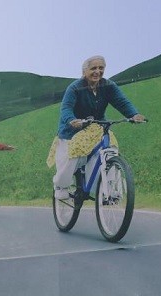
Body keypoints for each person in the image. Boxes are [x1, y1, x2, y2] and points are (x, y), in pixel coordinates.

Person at [52, 55, 146, 201]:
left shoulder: (108, 86)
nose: (97, 71)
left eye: (101, 68)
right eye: (93, 68)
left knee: (110, 150)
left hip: (97, 127)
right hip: (73, 129)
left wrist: (134, 114)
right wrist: (72, 120)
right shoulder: (75, 87)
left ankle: (105, 190)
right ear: (84, 72)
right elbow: (66, 108)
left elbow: (121, 102)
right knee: (72, 155)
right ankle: (61, 186)